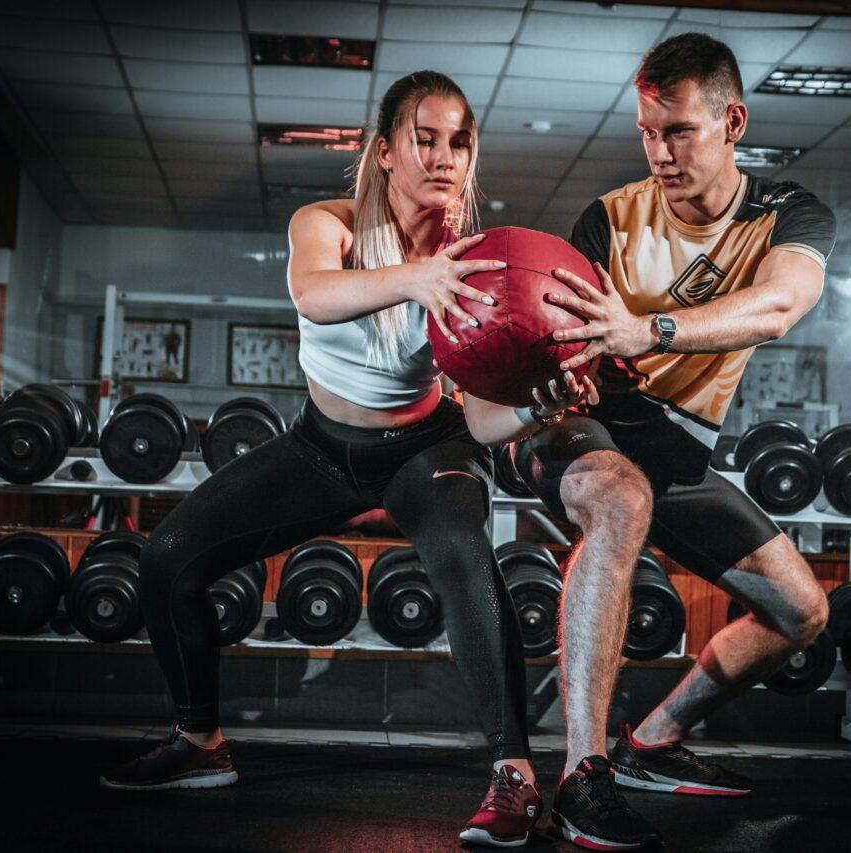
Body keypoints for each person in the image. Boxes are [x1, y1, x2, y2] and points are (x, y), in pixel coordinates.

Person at [100, 70, 590, 849]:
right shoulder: (324, 223)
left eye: (458, 140)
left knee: (469, 556)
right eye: (423, 138)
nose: (443, 156)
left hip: (427, 449)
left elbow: (489, 418)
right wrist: (416, 277)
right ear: (385, 151)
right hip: (321, 448)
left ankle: (516, 776)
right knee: (166, 559)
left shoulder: (477, 262)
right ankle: (200, 743)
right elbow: (314, 294)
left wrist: (543, 401)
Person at [483, 33, 837, 849]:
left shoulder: (787, 214)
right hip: (581, 423)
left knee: (801, 609)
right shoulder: (610, 216)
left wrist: (651, 328)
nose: (660, 151)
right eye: (647, 131)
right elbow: (565, 340)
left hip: (673, 444)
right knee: (620, 496)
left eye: (677, 129)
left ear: (732, 121)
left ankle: (653, 740)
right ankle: (584, 773)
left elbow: (779, 305)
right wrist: (560, 369)